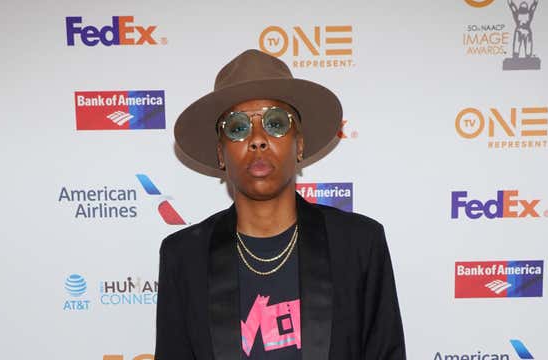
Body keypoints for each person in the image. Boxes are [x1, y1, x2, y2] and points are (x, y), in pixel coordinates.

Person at [155, 49, 406, 360]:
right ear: (221, 154)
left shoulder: (359, 244)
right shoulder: (184, 257)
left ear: (299, 144)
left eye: (275, 123)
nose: (258, 140)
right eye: (237, 127)